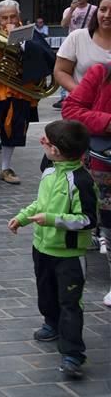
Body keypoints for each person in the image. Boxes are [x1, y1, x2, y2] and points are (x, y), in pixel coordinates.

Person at [7, 120, 97, 380]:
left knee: (70, 303)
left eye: (45, 140)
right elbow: (40, 202)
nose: (41, 142)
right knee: (45, 292)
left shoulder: (80, 181)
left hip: (68, 255)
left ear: (56, 149)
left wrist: (54, 219)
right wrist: (23, 217)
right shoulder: (49, 170)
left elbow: (88, 220)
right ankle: (51, 322)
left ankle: (72, 353)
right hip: (42, 247)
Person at [0, 0, 56, 187]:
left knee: (12, 127)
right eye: (4, 17)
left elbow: (46, 55)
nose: (8, 20)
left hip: (17, 90)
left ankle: (6, 168)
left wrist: (22, 45)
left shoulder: (30, 34)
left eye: (12, 16)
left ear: (19, 16)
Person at [62, 63, 111, 307]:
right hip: (104, 167)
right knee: (109, 223)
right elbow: (71, 109)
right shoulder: (101, 72)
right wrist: (107, 122)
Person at [54, 0, 111, 99]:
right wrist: (82, 93)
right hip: (85, 107)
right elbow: (60, 71)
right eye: (103, 10)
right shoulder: (77, 37)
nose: (107, 15)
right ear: (97, 12)